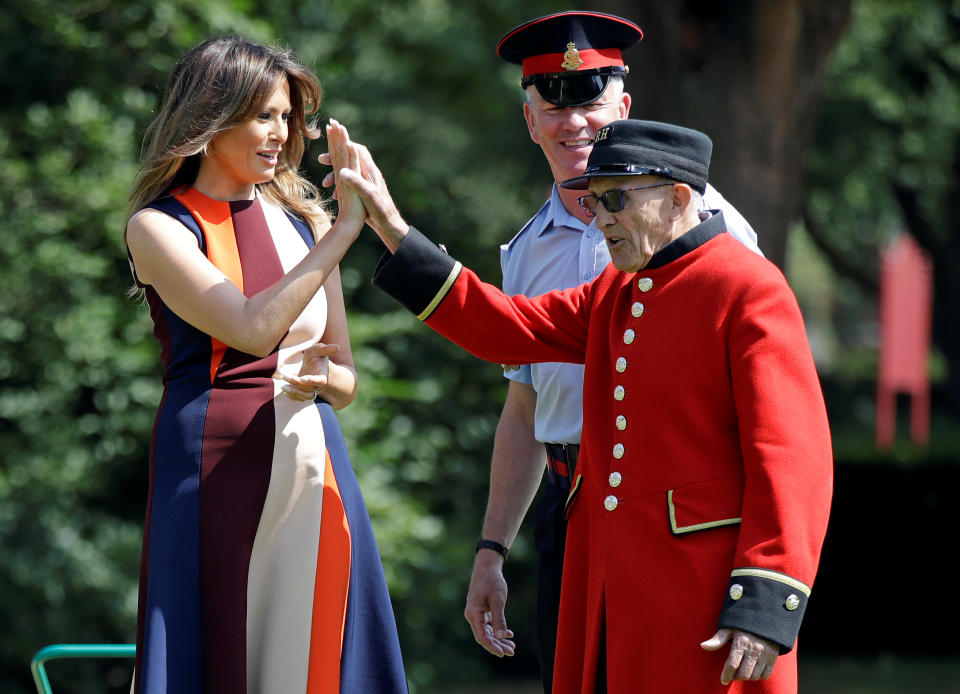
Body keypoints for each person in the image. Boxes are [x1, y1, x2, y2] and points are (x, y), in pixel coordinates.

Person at [334, 118, 832, 693]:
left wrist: (766, 600)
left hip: (703, 592)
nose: (600, 219)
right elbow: (504, 327)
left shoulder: (747, 286)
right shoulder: (616, 290)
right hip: (609, 586)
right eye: (594, 203)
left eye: (616, 198)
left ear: (677, 198)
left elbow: (793, 461)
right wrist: (391, 228)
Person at [464, 12, 763, 692]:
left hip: (674, 512)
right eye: (554, 104)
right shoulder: (525, 251)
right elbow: (525, 409)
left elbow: (765, 409)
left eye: (591, 103)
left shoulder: (707, 222)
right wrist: (491, 551)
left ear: (623, 106)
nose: (575, 125)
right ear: (529, 119)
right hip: (570, 507)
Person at [123, 36, 407, 694]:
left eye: (288, 117)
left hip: (313, 463)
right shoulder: (159, 227)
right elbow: (251, 329)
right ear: (211, 118)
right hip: (213, 467)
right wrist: (345, 231)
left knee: (318, 656)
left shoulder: (303, 223)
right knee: (219, 652)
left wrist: (321, 381)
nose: (282, 133)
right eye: (263, 116)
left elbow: (347, 380)